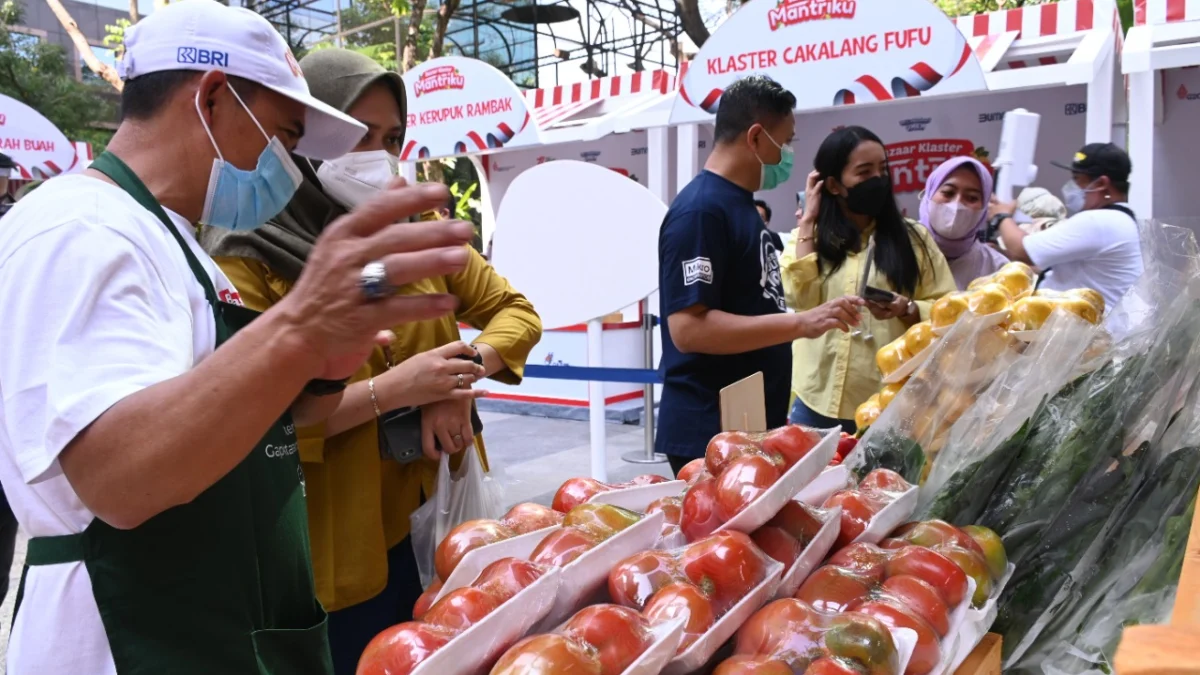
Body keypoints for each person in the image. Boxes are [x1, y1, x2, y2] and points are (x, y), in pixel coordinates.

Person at [0, 2, 476, 672]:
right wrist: (295, 327)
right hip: (127, 635)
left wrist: (322, 366)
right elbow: (118, 476)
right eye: (283, 136)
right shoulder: (80, 228)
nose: (286, 166)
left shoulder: (173, 238)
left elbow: (236, 414)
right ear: (214, 97)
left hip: (207, 616)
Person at [200, 47, 542, 673]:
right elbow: (263, 416)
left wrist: (457, 376)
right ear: (303, 134)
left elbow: (516, 311)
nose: (377, 155)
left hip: (439, 514)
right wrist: (402, 388)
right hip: (336, 540)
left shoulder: (412, 231)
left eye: (391, 137)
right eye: (356, 134)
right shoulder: (245, 253)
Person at [656, 75, 861, 474]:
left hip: (745, 425)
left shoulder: (740, 207)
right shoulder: (701, 212)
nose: (787, 154)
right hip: (710, 431)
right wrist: (800, 324)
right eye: (784, 142)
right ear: (755, 137)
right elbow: (688, 329)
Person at [784, 126, 956, 431]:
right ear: (834, 185)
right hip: (816, 401)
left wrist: (908, 309)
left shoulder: (914, 239)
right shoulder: (806, 239)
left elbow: (948, 310)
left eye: (883, 169)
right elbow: (800, 299)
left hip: (891, 404)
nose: (878, 179)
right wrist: (809, 218)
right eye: (864, 172)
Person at [989, 143, 1143, 308]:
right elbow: (1054, 268)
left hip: (1095, 330)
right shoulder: (1119, 219)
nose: (1071, 187)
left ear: (1101, 183)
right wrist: (1005, 255)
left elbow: (1022, 249)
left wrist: (1001, 216)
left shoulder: (1098, 221)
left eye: (1077, 179)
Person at [918, 156, 1008, 289]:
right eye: (948, 193)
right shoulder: (893, 249)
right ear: (929, 194)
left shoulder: (997, 269)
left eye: (971, 198)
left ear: (984, 209)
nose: (957, 205)